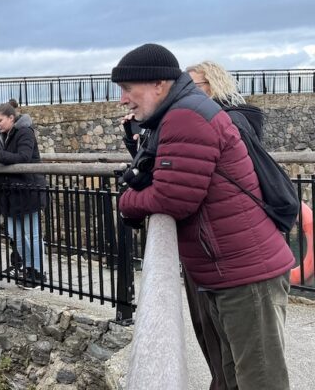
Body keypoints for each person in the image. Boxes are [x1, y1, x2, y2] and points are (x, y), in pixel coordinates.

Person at [113, 43, 293, 390]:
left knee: (259, 380)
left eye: (127, 89)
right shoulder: (179, 113)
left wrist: (127, 202)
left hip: (245, 273)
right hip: (227, 269)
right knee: (230, 378)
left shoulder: (186, 117)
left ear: (157, 84)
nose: (123, 99)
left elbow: (173, 197)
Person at [183, 60, 273, 389]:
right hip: (208, 247)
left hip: (230, 249)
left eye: (195, 86)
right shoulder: (208, 121)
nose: (188, 94)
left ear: (215, 85)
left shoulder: (231, 122)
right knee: (213, 336)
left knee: (246, 354)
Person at [0, 103, 46, 289]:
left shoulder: (25, 132)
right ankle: (28, 267)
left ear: (11, 118)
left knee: (31, 233)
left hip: (27, 190)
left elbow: (24, 156)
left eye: (0, 120)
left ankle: (37, 272)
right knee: (15, 234)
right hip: (9, 193)